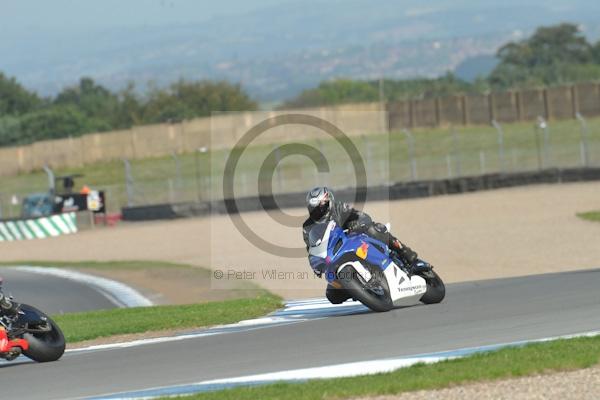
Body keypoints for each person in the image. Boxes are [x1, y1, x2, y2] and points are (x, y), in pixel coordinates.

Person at [302, 187, 418, 303]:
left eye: (321, 207)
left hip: (352, 240)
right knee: (332, 296)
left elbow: (362, 216)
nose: (318, 212)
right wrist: (316, 264)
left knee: (374, 229)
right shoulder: (307, 226)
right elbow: (311, 248)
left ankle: (404, 251)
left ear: (329, 203)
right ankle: (358, 289)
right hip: (333, 255)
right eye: (314, 209)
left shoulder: (340, 208)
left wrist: (357, 224)